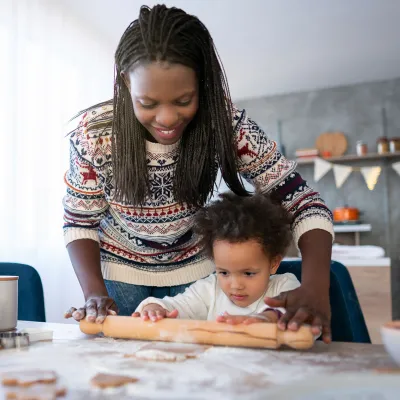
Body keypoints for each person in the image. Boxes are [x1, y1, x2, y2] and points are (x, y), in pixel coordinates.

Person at [63, 4, 333, 343]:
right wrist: (93, 294)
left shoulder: (226, 126)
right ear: (125, 83)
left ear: (202, 85)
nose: (166, 118)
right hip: (120, 278)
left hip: (199, 280)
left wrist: (315, 286)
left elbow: (304, 202)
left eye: (183, 100)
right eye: (147, 103)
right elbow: (79, 222)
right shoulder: (94, 136)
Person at [133, 192, 300, 324]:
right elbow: (176, 306)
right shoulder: (210, 289)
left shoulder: (284, 287)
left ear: (274, 263)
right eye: (224, 273)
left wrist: (266, 319)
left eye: (248, 273)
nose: (235, 286)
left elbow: (293, 312)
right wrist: (154, 308)